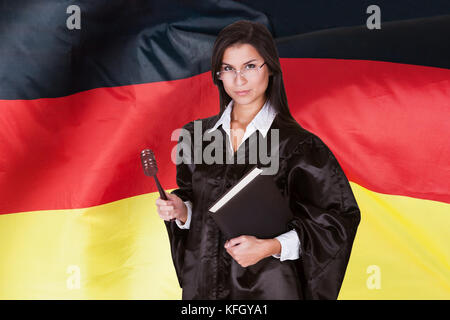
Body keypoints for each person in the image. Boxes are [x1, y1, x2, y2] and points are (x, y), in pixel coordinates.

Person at [155, 20, 361, 300]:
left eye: (250, 66)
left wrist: (272, 246)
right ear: (218, 74)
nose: (239, 80)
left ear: (271, 68)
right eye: (229, 69)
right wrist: (182, 210)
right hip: (203, 290)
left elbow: (337, 223)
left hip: (269, 289)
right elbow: (196, 205)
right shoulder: (196, 137)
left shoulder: (298, 145)